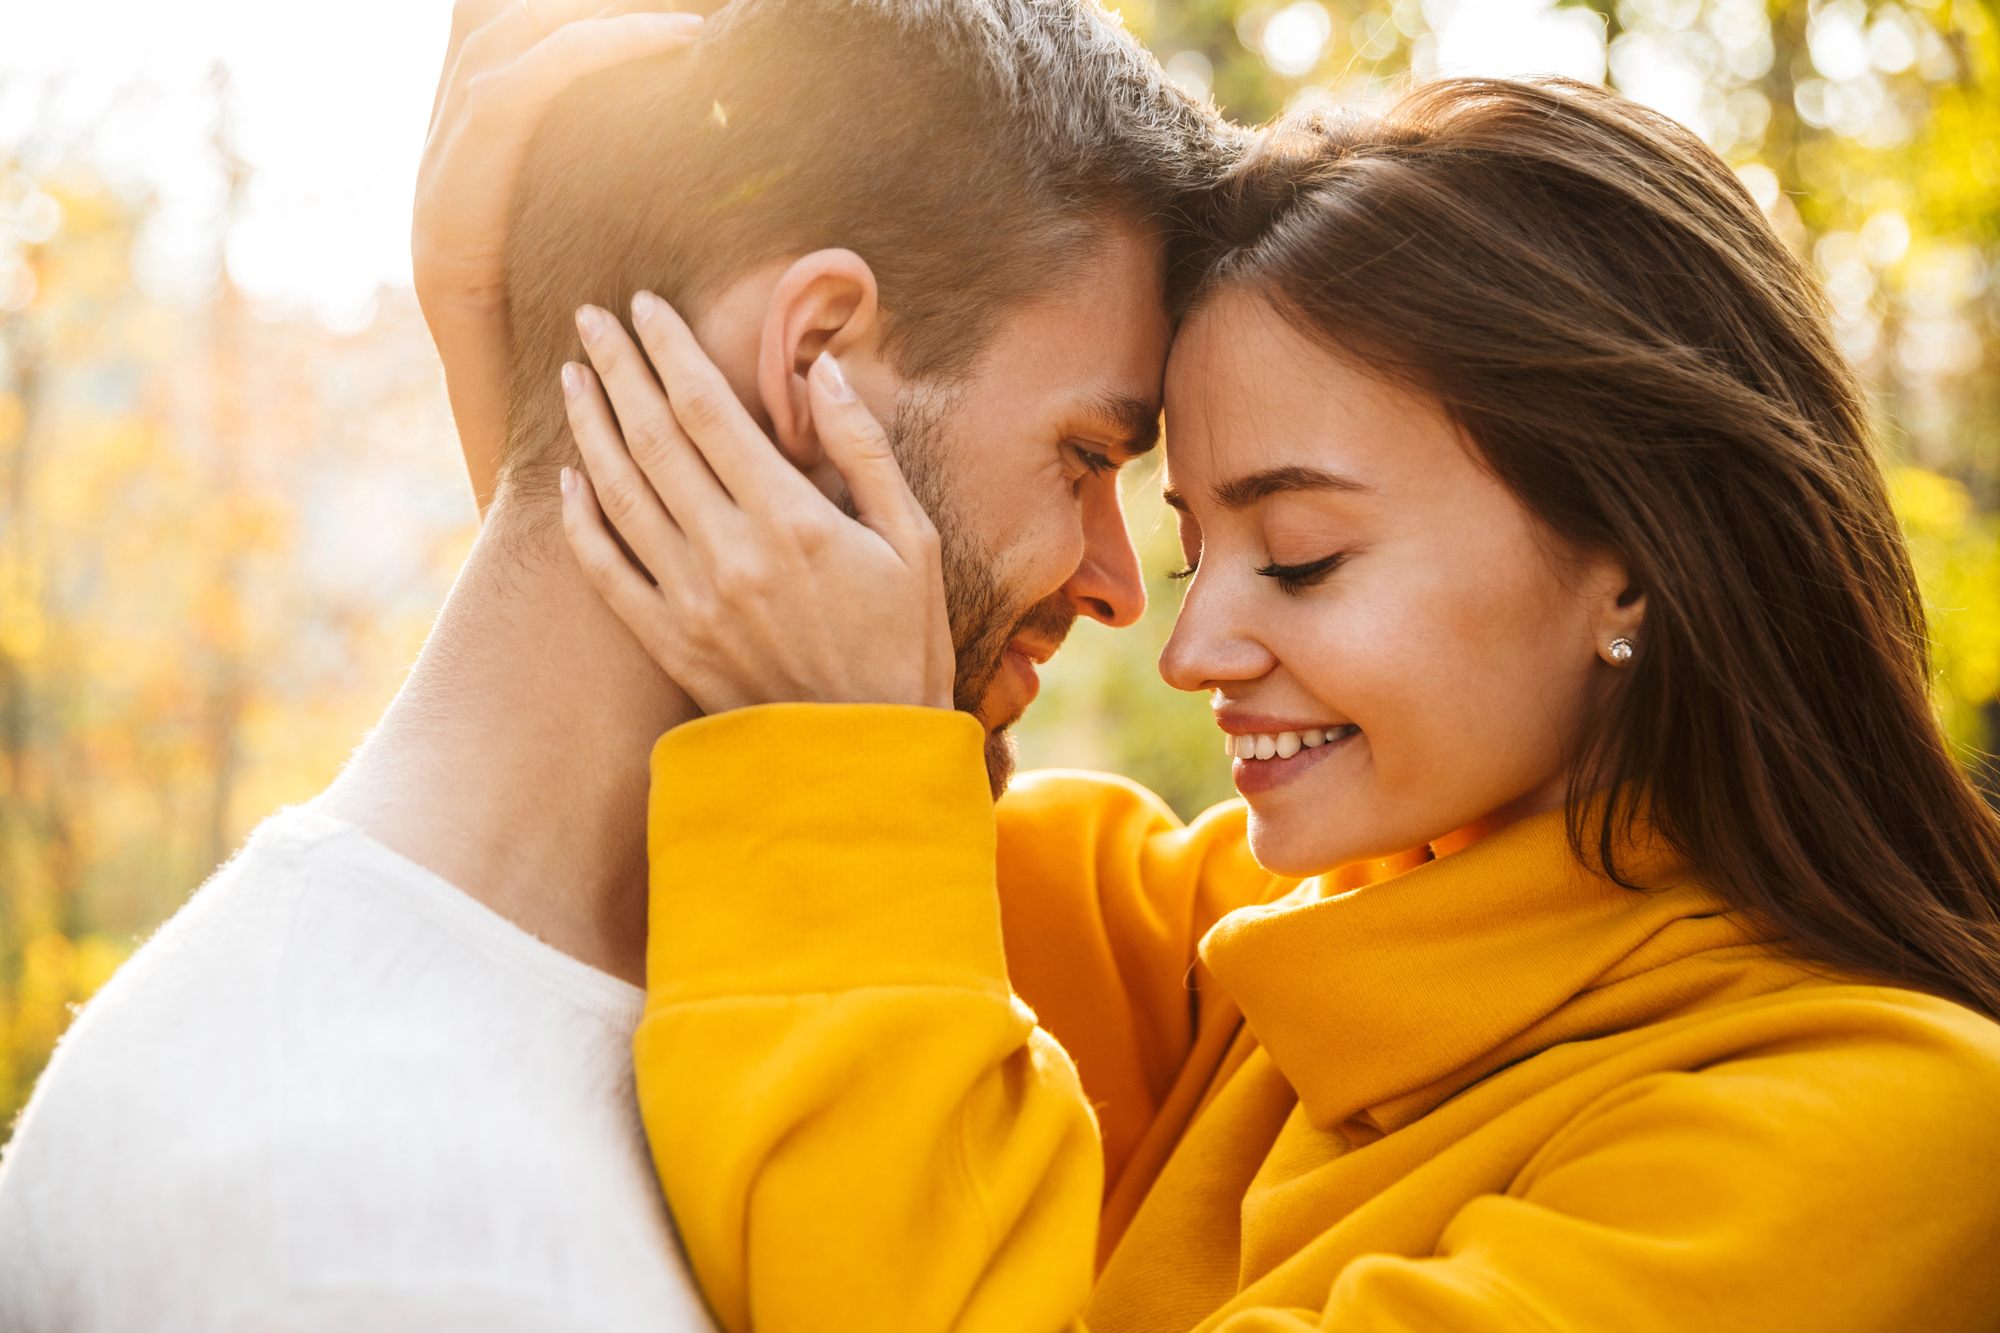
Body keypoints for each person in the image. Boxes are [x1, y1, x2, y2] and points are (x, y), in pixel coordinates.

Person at [557, 77, 2000, 1330]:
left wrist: (837, 758)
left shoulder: (1886, 1129)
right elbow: (739, 842)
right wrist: (543, 330)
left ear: (1633, 563)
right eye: (1195, 545)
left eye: (1301, 557)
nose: (1191, 650)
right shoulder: (1275, 940)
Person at [0, 2, 1230, 1327]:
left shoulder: (742, 977)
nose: (1118, 584)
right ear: (815, 363)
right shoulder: (377, 1235)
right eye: (1088, 459)